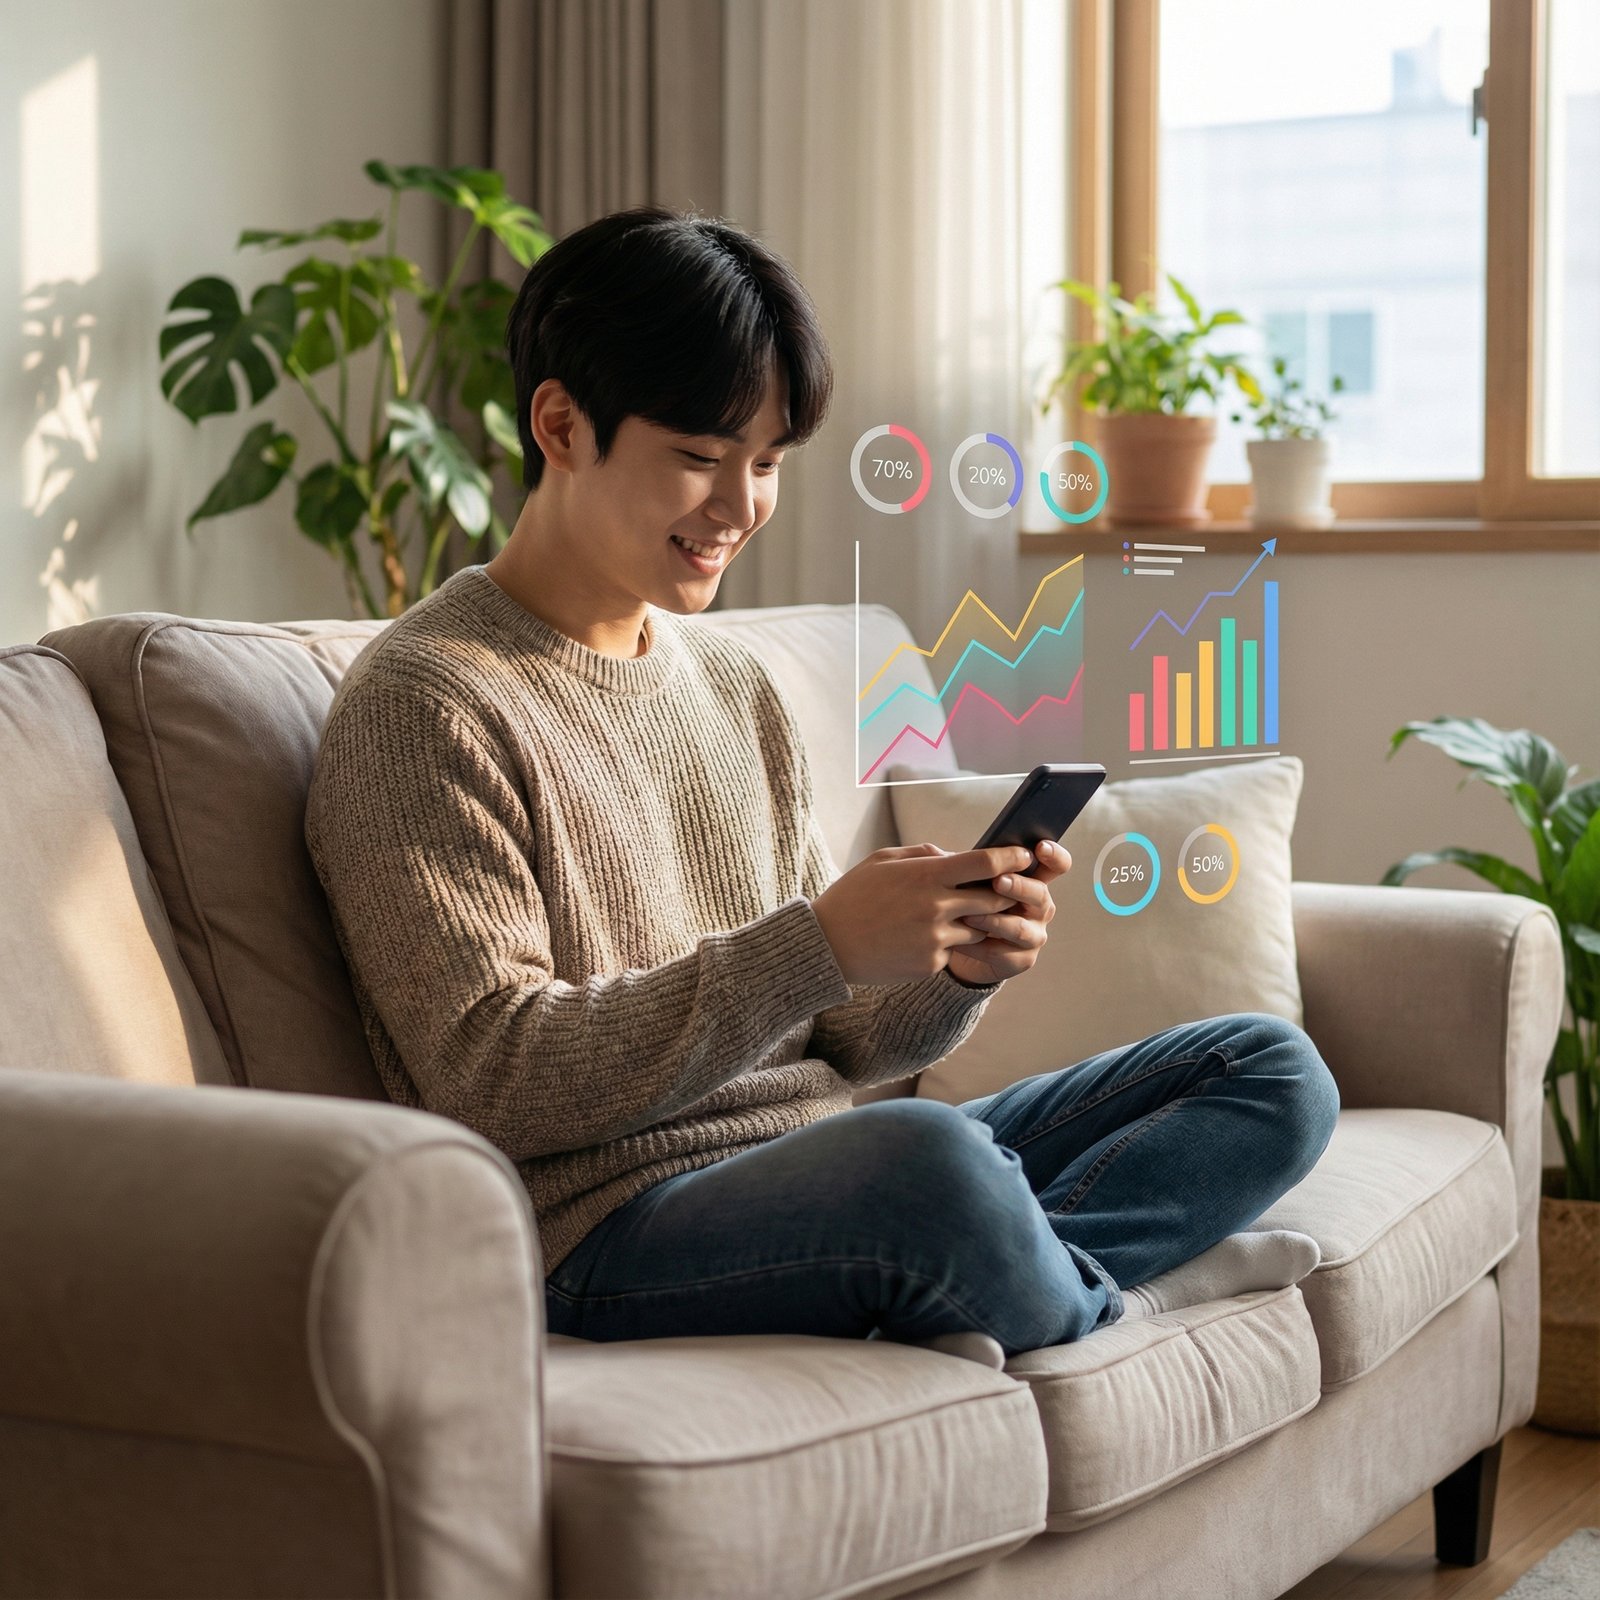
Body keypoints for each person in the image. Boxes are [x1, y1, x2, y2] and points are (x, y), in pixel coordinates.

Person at [303, 204, 1340, 1369]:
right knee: (928, 1163)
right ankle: (1116, 1296)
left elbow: (838, 1044)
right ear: (560, 425)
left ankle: (1029, 1278)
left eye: (766, 465)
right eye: (700, 459)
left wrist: (954, 965)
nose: (739, 507)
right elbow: (495, 1077)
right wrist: (818, 942)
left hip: (810, 1165)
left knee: (1268, 1069)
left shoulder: (732, 683)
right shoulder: (426, 703)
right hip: (596, 1229)